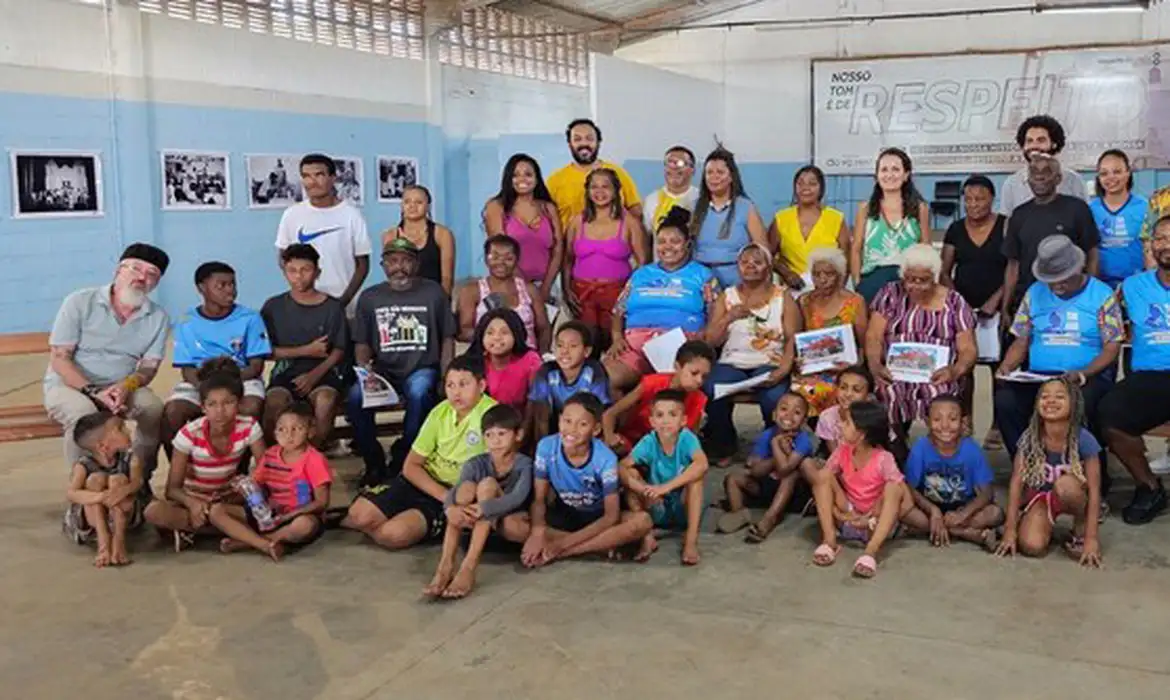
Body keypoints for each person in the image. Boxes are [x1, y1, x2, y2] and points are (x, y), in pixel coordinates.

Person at [994, 235, 1119, 496]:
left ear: (1078, 269)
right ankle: (1032, 468)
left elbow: (1111, 347)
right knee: (1005, 400)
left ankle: (1090, 480)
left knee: (1079, 402)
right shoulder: (1034, 293)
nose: (1056, 285)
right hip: (1039, 375)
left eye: (1063, 277)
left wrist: (1083, 373)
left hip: (1085, 375)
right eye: (1051, 279)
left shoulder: (1101, 295)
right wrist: (1006, 366)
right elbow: (1022, 339)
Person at [341, 356, 496, 551]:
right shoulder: (440, 412)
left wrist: (453, 501)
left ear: (481, 385)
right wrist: (445, 496)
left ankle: (431, 523)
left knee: (392, 535)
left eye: (464, 384)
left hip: (458, 495)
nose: (456, 392)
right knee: (358, 515)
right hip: (424, 482)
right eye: (450, 385)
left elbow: (496, 472)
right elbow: (411, 466)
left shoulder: (492, 416)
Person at [44, 243, 169, 479]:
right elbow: (61, 360)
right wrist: (93, 392)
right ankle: (82, 487)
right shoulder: (80, 302)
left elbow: (148, 368)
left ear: (156, 283)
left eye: (151, 274)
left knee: (153, 408)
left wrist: (126, 386)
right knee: (84, 414)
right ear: (118, 271)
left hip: (120, 387)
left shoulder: (158, 317)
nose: (142, 277)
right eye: (135, 268)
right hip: (69, 385)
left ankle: (140, 477)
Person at [348, 237, 455, 485]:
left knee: (420, 392)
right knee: (355, 397)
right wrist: (366, 374)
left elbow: (448, 337)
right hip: (383, 371)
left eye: (406, 260)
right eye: (392, 261)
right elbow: (362, 342)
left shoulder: (434, 292)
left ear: (416, 264)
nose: (399, 267)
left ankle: (404, 454)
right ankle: (373, 460)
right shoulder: (370, 297)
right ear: (383, 265)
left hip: (421, 368)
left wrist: (447, 375)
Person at [143, 360, 267, 553]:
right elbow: (172, 489)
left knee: (263, 507)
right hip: (195, 499)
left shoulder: (250, 427)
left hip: (228, 501)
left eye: (228, 403)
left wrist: (247, 491)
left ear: (240, 404)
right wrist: (193, 503)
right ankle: (230, 530)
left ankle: (195, 530)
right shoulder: (189, 434)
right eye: (212, 404)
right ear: (203, 408)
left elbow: (264, 471)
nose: (220, 411)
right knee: (153, 512)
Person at [521, 393, 653, 567]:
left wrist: (560, 546)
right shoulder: (546, 447)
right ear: (559, 420)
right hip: (565, 513)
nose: (572, 430)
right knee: (511, 524)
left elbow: (611, 516)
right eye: (567, 421)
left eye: (582, 424)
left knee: (642, 522)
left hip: (598, 518)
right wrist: (537, 533)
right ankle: (600, 547)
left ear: (596, 429)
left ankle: (567, 551)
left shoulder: (605, 459)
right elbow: (539, 500)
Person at [1098, 214, 1170, 524]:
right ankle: (1149, 487)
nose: (1166, 245)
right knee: (1108, 413)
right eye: (1161, 238)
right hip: (1151, 376)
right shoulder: (1132, 287)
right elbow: (1105, 320)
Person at [865, 244, 977, 441]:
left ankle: (941, 449)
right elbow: (873, 336)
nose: (915, 285)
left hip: (937, 374)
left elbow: (968, 348)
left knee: (940, 395)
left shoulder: (954, 301)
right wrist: (875, 365)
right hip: (896, 372)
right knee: (887, 391)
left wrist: (955, 370)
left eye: (923, 280)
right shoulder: (890, 294)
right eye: (909, 279)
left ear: (934, 278)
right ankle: (896, 447)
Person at [702, 242, 800, 461]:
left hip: (770, 361)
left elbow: (794, 337)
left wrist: (784, 368)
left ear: (768, 268)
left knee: (774, 396)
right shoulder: (727, 296)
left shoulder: (783, 297)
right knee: (712, 388)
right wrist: (729, 317)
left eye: (757, 262)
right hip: (733, 361)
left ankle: (770, 446)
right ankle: (724, 444)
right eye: (745, 262)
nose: (750, 266)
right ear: (737, 267)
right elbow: (710, 340)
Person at [604, 207, 719, 393]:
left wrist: (703, 337)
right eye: (662, 242)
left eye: (675, 242)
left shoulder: (702, 275)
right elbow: (619, 310)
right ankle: (631, 422)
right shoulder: (641, 274)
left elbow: (716, 312)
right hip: (636, 348)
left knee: (676, 386)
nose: (667, 247)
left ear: (687, 244)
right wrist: (617, 337)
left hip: (681, 349)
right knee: (606, 379)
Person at [426, 404, 533, 599]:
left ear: (518, 435)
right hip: (477, 518)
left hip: (509, 517)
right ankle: (445, 565)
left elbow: (517, 497)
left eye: (502, 434)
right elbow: (455, 491)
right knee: (466, 488)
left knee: (487, 485)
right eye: (489, 435)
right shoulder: (476, 463)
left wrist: (483, 508)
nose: (496, 441)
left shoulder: (523, 464)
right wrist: (450, 508)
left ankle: (469, 567)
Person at [162, 261, 270, 453]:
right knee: (173, 411)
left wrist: (227, 386)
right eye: (221, 285)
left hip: (241, 379)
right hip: (200, 382)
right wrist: (206, 389)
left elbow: (255, 367)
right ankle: (183, 471)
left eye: (232, 284)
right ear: (202, 288)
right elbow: (187, 369)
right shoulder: (186, 322)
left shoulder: (250, 318)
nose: (230, 290)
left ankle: (239, 470)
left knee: (250, 407)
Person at [995, 378, 1103, 568]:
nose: (1050, 401)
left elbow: (1094, 490)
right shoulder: (1030, 437)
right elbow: (1016, 482)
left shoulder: (1084, 439)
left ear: (1074, 404)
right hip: (1042, 497)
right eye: (1044, 397)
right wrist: (1010, 530)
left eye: (1060, 397)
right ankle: (1038, 522)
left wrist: (1091, 539)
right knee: (1031, 547)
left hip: (1074, 495)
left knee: (1065, 486)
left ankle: (1080, 525)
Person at [803, 400, 914, 579]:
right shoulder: (843, 451)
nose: (840, 425)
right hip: (849, 517)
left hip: (874, 524)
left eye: (847, 422)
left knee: (894, 488)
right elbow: (821, 487)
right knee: (823, 476)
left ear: (861, 434)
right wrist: (840, 515)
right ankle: (829, 541)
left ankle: (870, 552)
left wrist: (873, 519)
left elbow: (907, 503)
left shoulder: (884, 459)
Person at [213, 402, 333, 559]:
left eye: (296, 429)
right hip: (269, 515)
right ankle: (266, 542)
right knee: (217, 511)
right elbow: (255, 484)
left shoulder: (314, 459)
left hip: (298, 515)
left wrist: (288, 517)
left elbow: (321, 502)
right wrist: (236, 490)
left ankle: (251, 542)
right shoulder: (270, 455)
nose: (288, 435)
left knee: (304, 526)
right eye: (282, 429)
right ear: (275, 433)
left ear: (310, 432)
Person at [940, 175, 1008, 443]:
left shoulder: (1005, 226)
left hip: (998, 308)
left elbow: (1013, 269)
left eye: (979, 198)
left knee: (998, 368)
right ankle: (964, 420)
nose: (974, 204)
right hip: (963, 309)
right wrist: (958, 303)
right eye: (968, 199)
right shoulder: (955, 229)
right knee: (964, 368)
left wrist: (997, 300)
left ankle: (997, 426)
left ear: (992, 199)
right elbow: (945, 271)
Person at [261, 244, 349, 448]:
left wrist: (313, 376)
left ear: (317, 272)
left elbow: (338, 350)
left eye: (305, 270)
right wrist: (306, 350)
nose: (299, 276)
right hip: (286, 373)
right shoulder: (273, 307)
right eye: (292, 271)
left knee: (325, 400)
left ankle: (311, 456)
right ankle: (275, 458)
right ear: (284, 272)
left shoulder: (332, 307)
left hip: (324, 373)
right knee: (274, 402)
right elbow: (266, 351)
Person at [1000, 154, 1099, 323]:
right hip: (1029, 302)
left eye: (1046, 171)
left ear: (1058, 178)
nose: (1039, 176)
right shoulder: (1019, 215)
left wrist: (1090, 296)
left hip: (1070, 298)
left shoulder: (1077, 209)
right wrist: (1005, 308)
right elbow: (1013, 265)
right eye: (1033, 172)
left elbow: (1092, 254)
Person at [901, 396, 1003, 549]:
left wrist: (963, 515)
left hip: (963, 508)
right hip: (928, 509)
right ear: (927, 422)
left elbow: (987, 492)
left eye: (953, 419)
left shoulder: (972, 449)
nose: (944, 426)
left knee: (995, 513)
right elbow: (910, 488)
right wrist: (934, 511)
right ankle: (969, 534)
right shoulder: (920, 448)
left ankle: (933, 530)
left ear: (963, 422)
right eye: (936, 419)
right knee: (902, 510)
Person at [620, 389, 709, 565]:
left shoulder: (687, 439)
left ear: (683, 420)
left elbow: (702, 464)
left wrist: (665, 488)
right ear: (652, 421)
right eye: (660, 415)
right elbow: (622, 465)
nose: (666, 421)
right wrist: (644, 489)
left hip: (681, 506)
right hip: (656, 504)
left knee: (696, 479)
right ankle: (647, 536)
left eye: (672, 415)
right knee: (630, 474)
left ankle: (690, 542)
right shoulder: (649, 441)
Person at [274, 153, 371, 313]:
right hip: (303, 308)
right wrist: (301, 292)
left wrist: (341, 303)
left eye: (319, 175)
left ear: (333, 178)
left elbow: (363, 265)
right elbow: (283, 258)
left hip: (345, 308)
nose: (312, 182)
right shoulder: (291, 214)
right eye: (306, 176)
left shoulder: (351, 214)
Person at [563, 168, 646, 354]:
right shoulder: (577, 222)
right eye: (594, 187)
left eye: (605, 187)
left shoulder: (630, 223)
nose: (599, 192)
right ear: (587, 191)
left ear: (616, 190)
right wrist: (567, 290)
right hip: (582, 295)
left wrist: (627, 297)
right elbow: (567, 259)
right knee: (584, 348)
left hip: (616, 296)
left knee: (614, 350)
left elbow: (642, 265)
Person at [716, 393, 817, 542]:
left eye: (796, 412)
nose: (788, 415)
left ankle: (770, 519)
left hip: (793, 494)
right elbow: (755, 471)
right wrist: (775, 450)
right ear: (774, 415)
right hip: (766, 486)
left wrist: (776, 446)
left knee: (790, 476)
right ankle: (738, 513)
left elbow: (785, 469)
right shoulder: (766, 436)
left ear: (804, 421)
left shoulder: (804, 440)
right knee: (733, 478)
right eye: (783, 409)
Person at [603, 340, 715, 457]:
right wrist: (610, 437)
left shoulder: (699, 400)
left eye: (704, 376)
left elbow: (691, 441)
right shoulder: (651, 384)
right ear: (677, 367)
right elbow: (609, 415)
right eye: (694, 373)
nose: (699, 380)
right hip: (632, 444)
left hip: (666, 454)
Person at [790, 248, 868, 415]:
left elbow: (863, 344)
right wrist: (799, 362)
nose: (822, 280)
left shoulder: (855, 302)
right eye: (817, 274)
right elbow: (797, 339)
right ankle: (822, 436)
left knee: (843, 389)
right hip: (813, 369)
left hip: (846, 369)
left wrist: (855, 364)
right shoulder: (804, 301)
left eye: (828, 274)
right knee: (803, 390)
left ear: (839, 276)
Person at [63, 412, 144, 568]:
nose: (128, 431)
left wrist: (123, 490)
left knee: (118, 480)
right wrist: (102, 496)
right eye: (121, 429)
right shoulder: (83, 465)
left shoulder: (131, 459)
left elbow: (137, 483)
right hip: (91, 519)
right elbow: (71, 493)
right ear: (102, 446)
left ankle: (118, 540)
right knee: (95, 479)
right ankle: (103, 542)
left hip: (124, 514)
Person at [851, 147, 931, 303]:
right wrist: (857, 283)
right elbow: (855, 249)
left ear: (906, 175)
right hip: (873, 282)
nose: (889, 175)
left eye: (895, 169)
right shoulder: (865, 209)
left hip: (909, 282)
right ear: (877, 175)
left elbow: (926, 248)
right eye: (884, 170)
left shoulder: (920, 208)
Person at [689, 147, 770, 288]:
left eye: (720, 172)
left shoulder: (746, 207)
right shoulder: (694, 208)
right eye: (709, 172)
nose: (714, 177)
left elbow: (763, 251)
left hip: (739, 280)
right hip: (700, 280)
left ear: (731, 176)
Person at [483, 153, 563, 292]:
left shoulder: (548, 208)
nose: (522, 179)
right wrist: (528, 289)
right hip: (509, 286)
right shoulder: (497, 207)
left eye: (528, 174)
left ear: (537, 179)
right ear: (509, 179)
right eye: (515, 175)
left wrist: (545, 288)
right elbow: (500, 251)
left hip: (546, 287)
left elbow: (558, 250)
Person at [458, 234, 551, 353]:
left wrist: (541, 357)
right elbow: (463, 331)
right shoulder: (472, 291)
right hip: (487, 359)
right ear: (486, 259)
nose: (501, 263)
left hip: (526, 359)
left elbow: (544, 328)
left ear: (517, 260)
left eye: (508, 258)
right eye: (495, 257)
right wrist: (496, 336)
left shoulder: (530, 290)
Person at [547, 118, 642, 232]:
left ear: (598, 142)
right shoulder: (555, 180)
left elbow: (635, 211)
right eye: (577, 139)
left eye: (589, 138)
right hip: (570, 247)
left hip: (614, 246)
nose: (584, 143)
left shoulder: (618, 173)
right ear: (569, 144)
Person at [528, 321, 612, 443]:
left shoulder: (594, 372)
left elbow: (600, 412)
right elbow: (541, 417)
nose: (565, 351)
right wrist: (545, 446)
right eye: (560, 345)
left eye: (573, 346)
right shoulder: (546, 371)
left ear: (586, 351)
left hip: (585, 431)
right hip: (555, 428)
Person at [770, 164, 850, 291]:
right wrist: (786, 273)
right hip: (793, 289)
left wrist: (838, 292)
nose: (805, 188)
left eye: (812, 184)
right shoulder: (781, 218)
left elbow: (847, 261)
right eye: (800, 183)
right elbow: (767, 255)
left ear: (821, 188)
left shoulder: (836, 219)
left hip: (828, 290)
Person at [999, 115, 1089, 215]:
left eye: (1041, 140)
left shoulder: (1073, 180)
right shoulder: (1012, 184)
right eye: (1029, 141)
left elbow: (1084, 218)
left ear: (1054, 144)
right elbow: (1007, 223)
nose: (1034, 146)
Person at [381, 184, 455, 295]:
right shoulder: (390, 235)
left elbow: (447, 279)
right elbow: (391, 275)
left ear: (428, 206)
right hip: (402, 298)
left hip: (433, 298)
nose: (412, 206)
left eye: (419, 202)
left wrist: (441, 304)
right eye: (407, 202)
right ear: (401, 206)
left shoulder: (442, 234)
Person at [1090, 149, 1148, 288]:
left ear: (1128, 173)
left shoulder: (1145, 207)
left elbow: (1149, 249)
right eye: (1104, 173)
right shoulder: (1089, 209)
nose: (1110, 178)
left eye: (1117, 171)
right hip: (1101, 286)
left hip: (1136, 284)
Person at [469, 308, 543, 413]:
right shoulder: (475, 362)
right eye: (490, 333)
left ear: (516, 334)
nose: (497, 338)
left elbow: (537, 401)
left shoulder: (530, 360)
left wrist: (524, 428)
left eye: (504, 332)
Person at [641, 146, 699, 256]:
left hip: (694, 270)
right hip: (661, 269)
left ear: (692, 169)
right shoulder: (651, 200)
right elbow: (646, 239)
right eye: (670, 163)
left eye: (681, 163)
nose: (674, 167)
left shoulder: (701, 199)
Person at [814, 365, 874, 454]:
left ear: (868, 397)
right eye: (843, 388)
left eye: (856, 390)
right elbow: (835, 455)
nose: (848, 394)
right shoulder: (827, 417)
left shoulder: (873, 419)